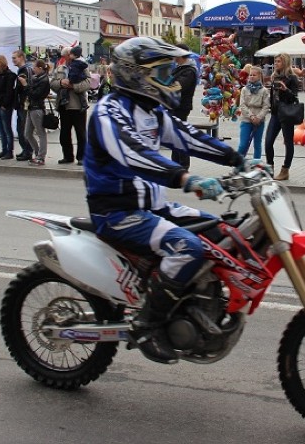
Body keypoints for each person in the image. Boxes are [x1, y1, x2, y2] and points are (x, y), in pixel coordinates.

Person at [84, 36, 245, 364]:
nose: (171, 80)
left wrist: (238, 159)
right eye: (164, 72)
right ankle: (148, 324)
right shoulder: (107, 112)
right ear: (137, 74)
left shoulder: (153, 111)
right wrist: (186, 178)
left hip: (155, 208)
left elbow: (189, 136)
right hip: (119, 213)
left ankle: (196, 306)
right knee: (187, 248)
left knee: (223, 233)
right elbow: (134, 154)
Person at [50, 47, 91, 165]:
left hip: (78, 106)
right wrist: (61, 83)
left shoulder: (83, 66)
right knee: (64, 134)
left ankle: (82, 157)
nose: (66, 58)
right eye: (64, 56)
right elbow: (52, 83)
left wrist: (74, 86)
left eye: (66, 56)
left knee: (81, 133)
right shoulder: (60, 68)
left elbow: (88, 83)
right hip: (64, 105)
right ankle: (68, 156)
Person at [265, 53, 300, 181]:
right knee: (268, 142)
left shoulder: (292, 78)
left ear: (285, 63)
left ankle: (285, 170)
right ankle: (270, 168)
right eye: (275, 61)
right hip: (275, 113)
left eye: (278, 61)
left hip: (286, 114)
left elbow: (295, 97)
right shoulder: (275, 77)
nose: (276, 63)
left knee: (288, 142)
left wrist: (286, 90)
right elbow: (272, 96)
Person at [169, 43, 199, 169]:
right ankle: (175, 165)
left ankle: (183, 166)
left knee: (180, 136)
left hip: (181, 107)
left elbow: (179, 86)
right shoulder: (179, 68)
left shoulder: (189, 71)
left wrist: (166, 85)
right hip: (174, 106)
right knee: (175, 136)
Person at [21, 59, 51, 165]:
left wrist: (25, 85)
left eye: (35, 68)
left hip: (37, 108)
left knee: (41, 132)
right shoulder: (35, 79)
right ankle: (38, 152)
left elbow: (35, 94)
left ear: (40, 68)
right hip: (31, 107)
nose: (33, 70)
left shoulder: (44, 80)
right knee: (27, 133)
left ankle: (41, 156)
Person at [238, 65, 270, 162]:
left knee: (257, 144)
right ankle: (238, 162)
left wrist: (259, 117)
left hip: (259, 121)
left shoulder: (264, 91)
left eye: (254, 75)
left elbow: (266, 106)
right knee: (243, 144)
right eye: (250, 75)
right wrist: (251, 116)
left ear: (259, 76)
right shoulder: (244, 89)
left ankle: (256, 164)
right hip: (246, 119)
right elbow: (242, 105)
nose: (251, 77)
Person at [0, 54, 18, 160]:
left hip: (4, 105)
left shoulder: (10, 75)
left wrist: (5, 104)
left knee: (7, 128)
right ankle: (4, 149)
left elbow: (9, 91)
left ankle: (9, 150)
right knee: (1, 128)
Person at [11, 49, 34, 161]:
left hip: (24, 104)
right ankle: (25, 149)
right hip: (21, 103)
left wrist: (21, 100)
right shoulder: (22, 70)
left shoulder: (25, 70)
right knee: (20, 128)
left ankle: (28, 151)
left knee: (24, 129)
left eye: (15, 58)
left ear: (21, 57)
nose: (13, 60)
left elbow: (26, 88)